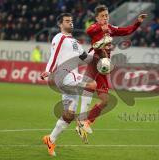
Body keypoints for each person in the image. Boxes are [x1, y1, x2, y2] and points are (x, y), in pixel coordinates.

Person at [78, 5, 147, 134]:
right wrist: (101, 27)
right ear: (97, 18)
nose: (105, 18)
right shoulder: (95, 28)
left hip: (104, 66)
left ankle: (86, 121)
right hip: (95, 60)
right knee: (89, 87)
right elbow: (88, 31)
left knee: (105, 100)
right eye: (102, 16)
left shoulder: (110, 29)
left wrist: (138, 22)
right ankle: (81, 118)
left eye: (106, 15)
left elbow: (127, 30)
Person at [40, 13, 96, 156]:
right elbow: (54, 55)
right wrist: (48, 70)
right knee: (91, 84)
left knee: (69, 115)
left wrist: (97, 49)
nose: (70, 23)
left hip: (71, 79)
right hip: (64, 75)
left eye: (71, 21)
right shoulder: (60, 37)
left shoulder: (75, 42)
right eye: (66, 21)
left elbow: (85, 58)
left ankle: (50, 139)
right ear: (60, 24)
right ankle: (83, 121)